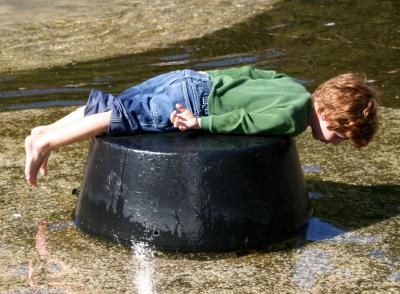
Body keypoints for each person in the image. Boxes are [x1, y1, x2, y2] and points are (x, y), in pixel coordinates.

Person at [24, 66, 378, 187]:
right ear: (331, 116)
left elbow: (248, 74)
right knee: (125, 118)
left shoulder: (291, 86)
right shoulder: (294, 118)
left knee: (116, 103)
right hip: (195, 104)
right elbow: (245, 122)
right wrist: (201, 122)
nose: (334, 143)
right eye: (340, 136)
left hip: (192, 80)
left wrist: (205, 78)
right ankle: (49, 143)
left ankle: (42, 132)